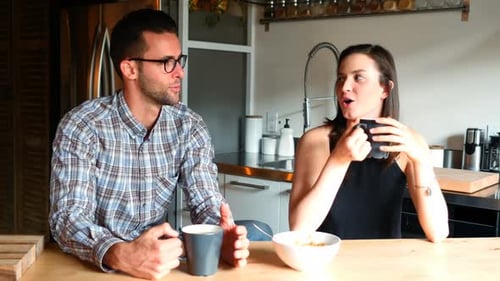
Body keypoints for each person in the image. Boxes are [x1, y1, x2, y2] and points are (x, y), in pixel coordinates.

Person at [49, 9, 249, 280]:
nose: (180, 72)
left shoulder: (188, 126)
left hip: (159, 267)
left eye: (180, 60)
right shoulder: (82, 126)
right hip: (91, 268)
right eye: (167, 62)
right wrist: (119, 252)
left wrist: (219, 235)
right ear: (129, 68)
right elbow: (68, 218)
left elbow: (206, 202)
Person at [289, 44, 449, 242]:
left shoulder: (408, 143)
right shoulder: (315, 141)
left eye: (358, 77)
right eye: (341, 78)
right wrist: (338, 159)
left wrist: (422, 163)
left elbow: (439, 231)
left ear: (385, 89)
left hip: (386, 265)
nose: (344, 87)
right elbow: (298, 229)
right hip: (327, 260)